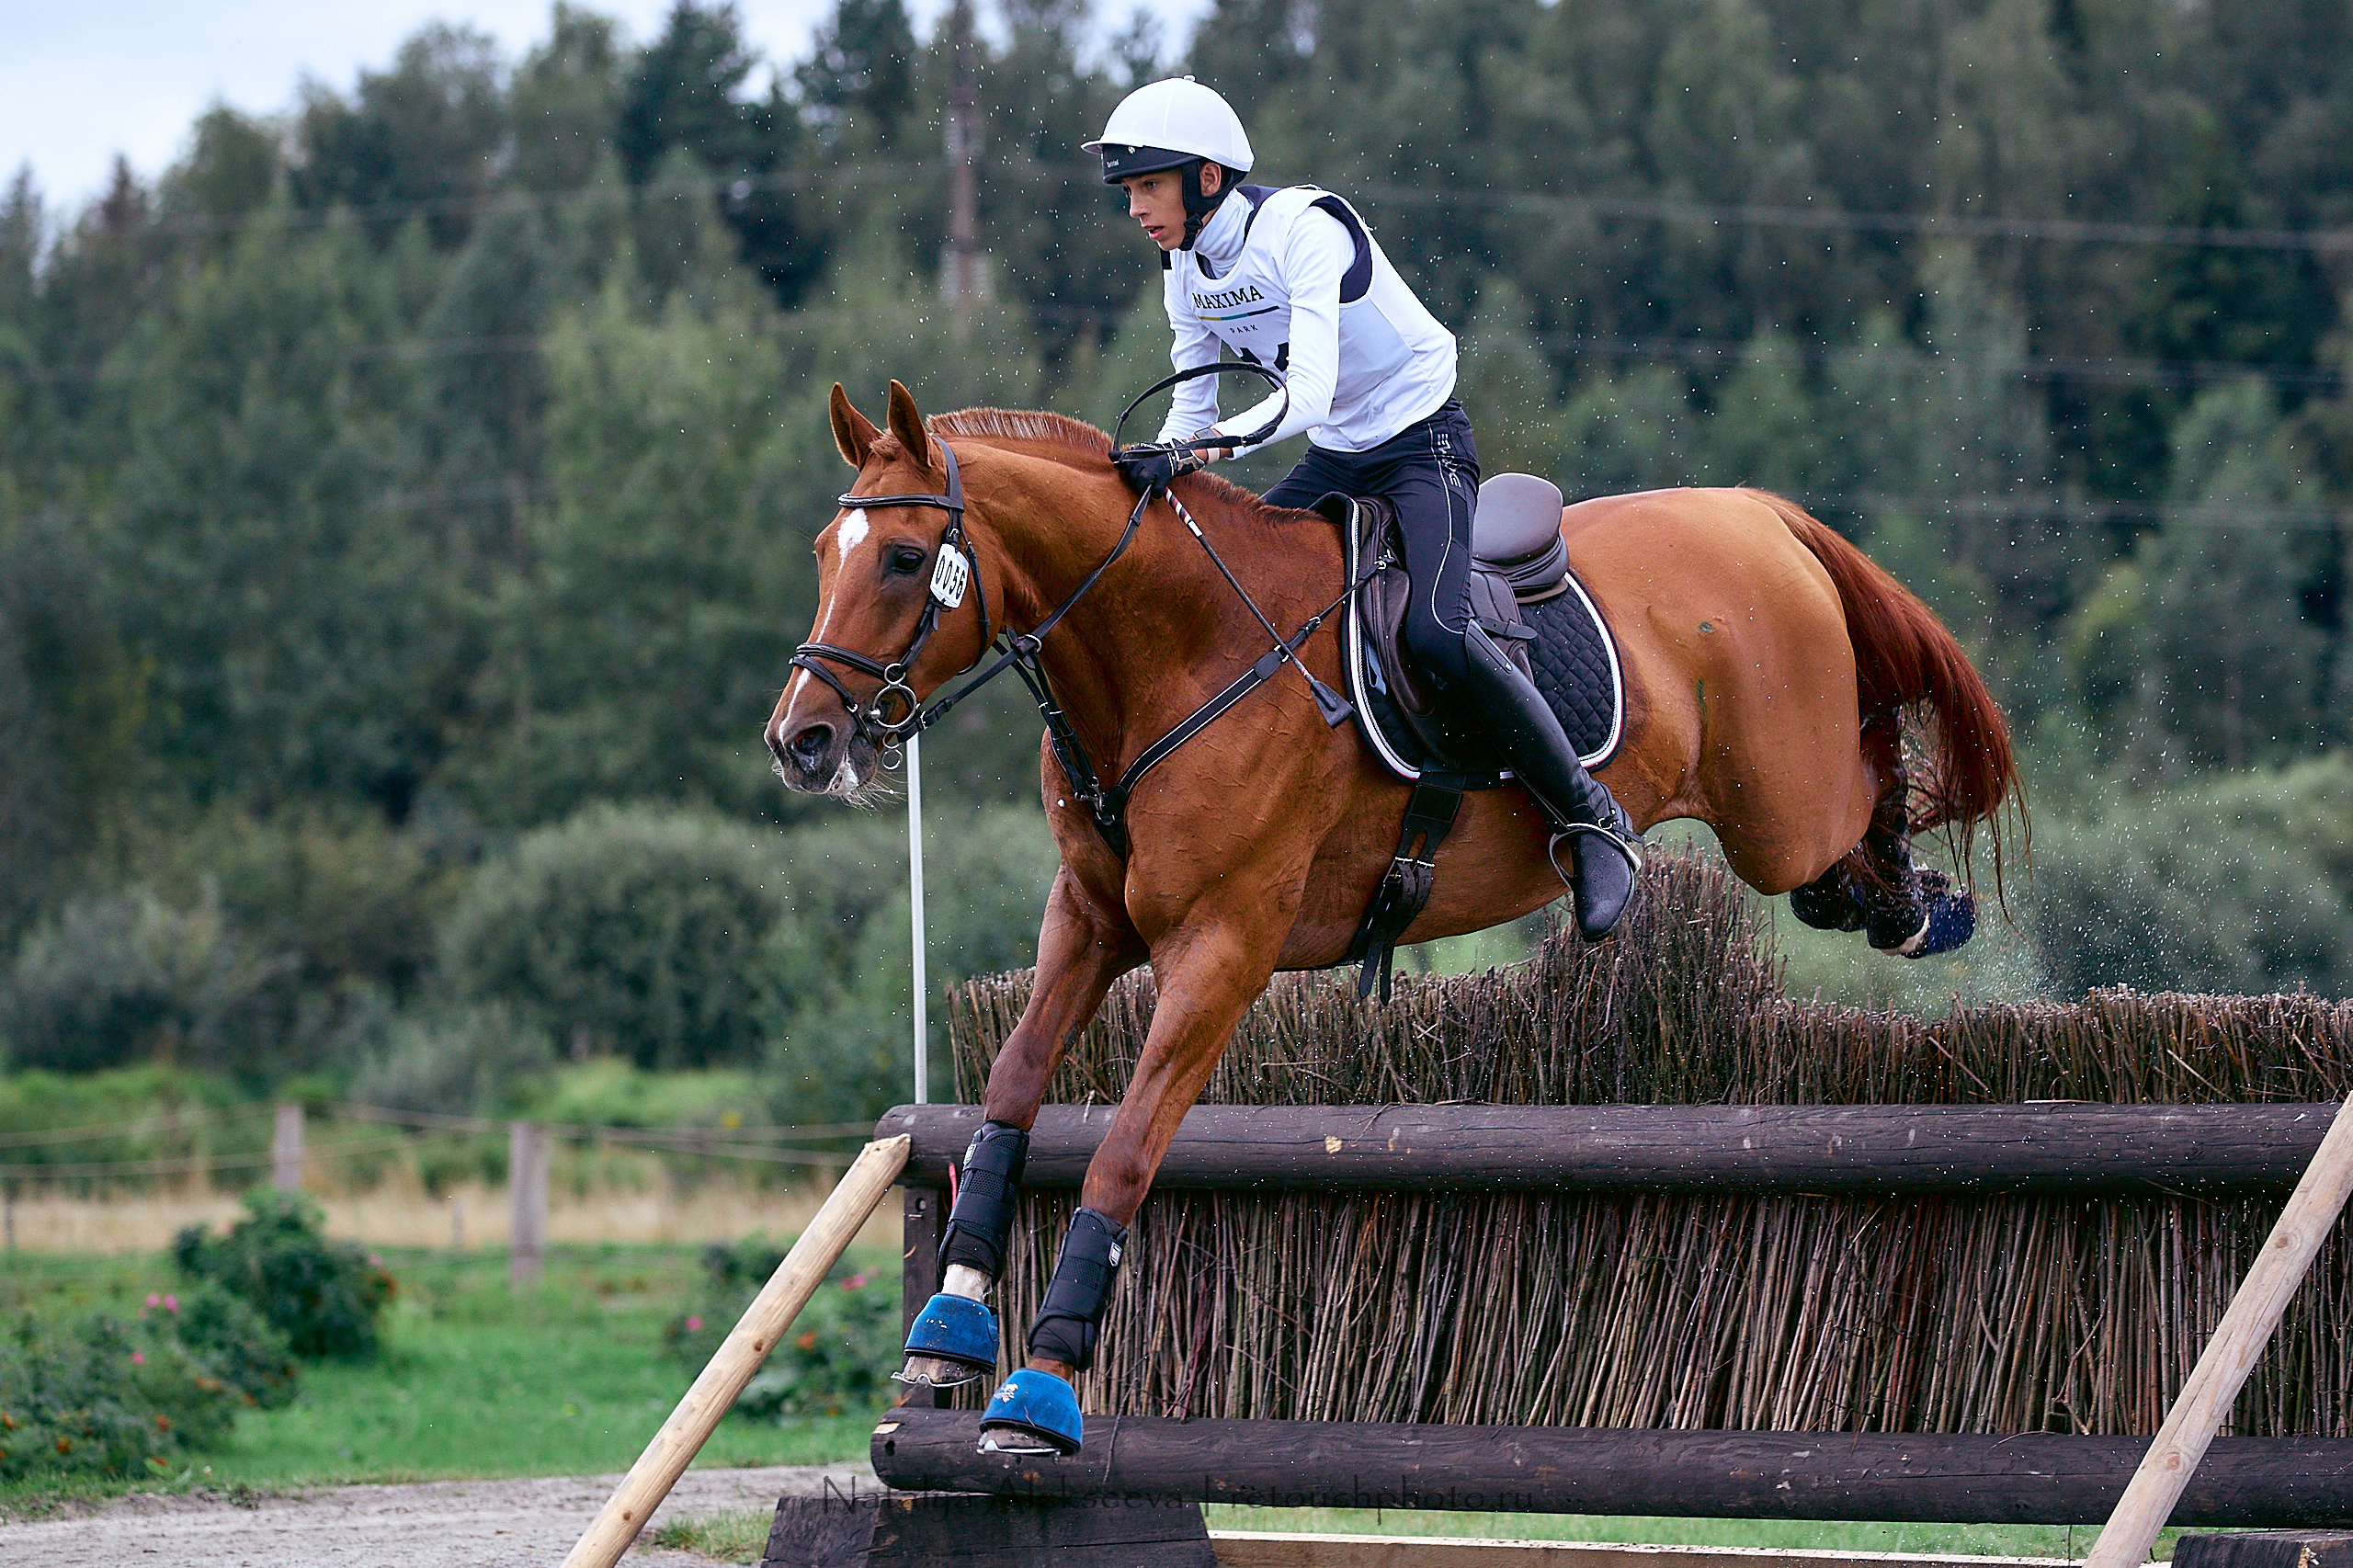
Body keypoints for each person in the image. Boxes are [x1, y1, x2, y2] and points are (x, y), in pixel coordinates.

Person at [1086, 76, 1643, 937]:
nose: (1135, 209)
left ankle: (1592, 818)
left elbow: (1306, 394)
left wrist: (1197, 454)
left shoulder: (1303, 230)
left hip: (1422, 446)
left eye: (1148, 186)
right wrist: (1154, 468)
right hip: (1340, 457)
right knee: (1231, 592)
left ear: (1206, 178)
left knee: (1438, 633)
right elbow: (1192, 406)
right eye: (1128, 191)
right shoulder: (1184, 267)